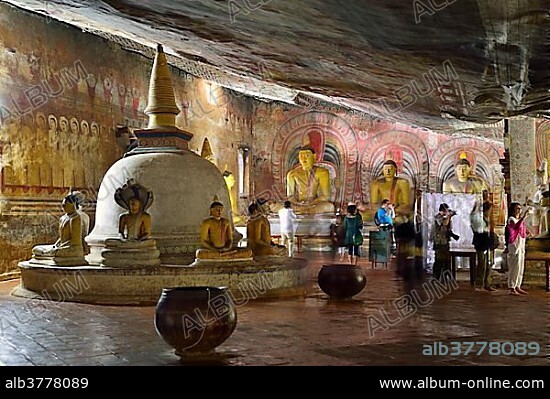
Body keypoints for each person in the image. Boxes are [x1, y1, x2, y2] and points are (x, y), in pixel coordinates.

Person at [32, 193, 85, 261]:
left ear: (73, 205)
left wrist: (59, 247)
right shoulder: (63, 218)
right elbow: (62, 237)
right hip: (62, 246)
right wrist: (56, 245)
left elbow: (75, 241)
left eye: (65, 205)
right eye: (63, 205)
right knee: (36, 249)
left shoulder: (75, 218)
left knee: (54, 252)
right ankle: (47, 253)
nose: (63, 207)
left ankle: (48, 254)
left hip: (73, 248)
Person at [282, 146, 335, 214]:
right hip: (298, 204)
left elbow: (326, 196)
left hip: (314, 204)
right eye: (301, 156)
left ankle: (303, 211)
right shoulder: (292, 174)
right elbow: (290, 196)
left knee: (329, 206)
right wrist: (298, 203)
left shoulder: (322, 172)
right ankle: (303, 210)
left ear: (314, 156)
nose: (304, 159)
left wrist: (310, 203)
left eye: (307, 155)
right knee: (275, 206)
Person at [370, 160, 411, 224]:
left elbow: (406, 204)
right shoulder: (376, 183)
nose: (388, 171)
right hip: (383, 210)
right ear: (382, 170)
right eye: (386, 169)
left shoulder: (403, 182)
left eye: (390, 169)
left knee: (404, 217)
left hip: (397, 210)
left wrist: (393, 210)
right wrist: (384, 210)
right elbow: (373, 204)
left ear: (395, 169)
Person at [470, 201, 494, 291]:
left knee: (488, 264)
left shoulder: (487, 219)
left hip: (487, 243)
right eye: (489, 210)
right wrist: (475, 207)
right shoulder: (479, 219)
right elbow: (472, 216)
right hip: (480, 243)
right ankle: (479, 284)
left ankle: (487, 283)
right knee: (482, 264)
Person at [506, 202, 529, 296]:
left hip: (521, 244)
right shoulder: (511, 219)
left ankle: (518, 285)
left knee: (520, 266)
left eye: (520, 208)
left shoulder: (519, 220)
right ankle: (512, 286)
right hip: (514, 245)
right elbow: (515, 228)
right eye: (517, 208)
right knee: (514, 267)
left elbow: (522, 230)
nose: (519, 210)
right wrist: (523, 218)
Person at [431, 203, 459, 281]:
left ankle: (445, 277)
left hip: (445, 241)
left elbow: (449, 227)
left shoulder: (446, 218)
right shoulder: (438, 217)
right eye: (446, 210)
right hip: (439, 242)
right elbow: (443, 224)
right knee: (439, 260)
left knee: (446, 260)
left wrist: (449, 218)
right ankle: (436, 277)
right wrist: (449, 217)